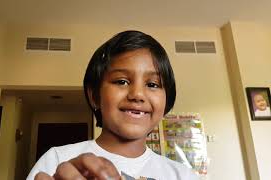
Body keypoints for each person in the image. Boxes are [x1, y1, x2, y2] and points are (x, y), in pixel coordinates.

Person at [27, 30, 199, 180]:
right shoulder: (57, 160)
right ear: (94, 95)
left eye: (153, 84)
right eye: (122, 81)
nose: (138, 94)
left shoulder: (184, 176)